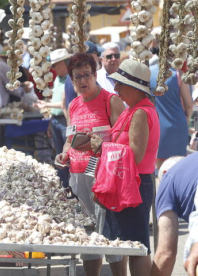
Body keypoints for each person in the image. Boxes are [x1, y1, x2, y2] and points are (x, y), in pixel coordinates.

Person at [55, 53, 126, 276]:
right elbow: (69, 139)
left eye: (87, 75)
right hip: (78, 174)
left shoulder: (111, 100)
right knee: (87, 232)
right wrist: (64, 154)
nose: (83, 80)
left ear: (96, 75)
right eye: (77, 77)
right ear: (72, 80)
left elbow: (123, 140)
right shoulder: (74, 105)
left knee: (110, 232)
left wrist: (98, 145)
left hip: (104, 176)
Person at [90, 59, 160, 275]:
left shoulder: (140, 113)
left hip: (135, 185)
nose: (116, 88)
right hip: (129, 183)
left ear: (136, 87)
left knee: (137, 245)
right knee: (129, 243)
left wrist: (103, 146)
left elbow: (135, 155)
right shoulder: (134, 110)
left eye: (120, 84)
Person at [150, 154, 198, 276]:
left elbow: (166, 253)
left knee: (193, 262)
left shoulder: (168, 178)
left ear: (164, 173)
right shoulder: (192, 161)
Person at [34, 48, 72, 187]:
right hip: (56, 120)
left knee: (66, 155)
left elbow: (64, 104)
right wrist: (50, 122)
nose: (54, 69)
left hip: (65, 121)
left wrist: (46, 104)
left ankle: (68, 185)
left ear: (62, 64)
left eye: (55, 65)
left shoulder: (69, 79)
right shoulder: (57, 79)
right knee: (59, 154)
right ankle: (63, 184)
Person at [150, 58, 193, 170]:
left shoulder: (148, 72)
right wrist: (186, 120)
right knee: (178, 165)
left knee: (160, 167)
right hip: (177, 125)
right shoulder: (177, 74)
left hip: (157, 126)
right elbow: (189, 104)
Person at [65, 41, 104, 111]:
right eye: (97, 54)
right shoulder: (84, 78)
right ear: (89, 57)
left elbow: (64, 103)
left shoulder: (70, 76)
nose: (99, 58)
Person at [0, 42, 30, 106]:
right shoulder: (4, 66)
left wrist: (21, 84)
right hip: (1, 101)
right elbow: (11, 87)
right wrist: (24, 91)